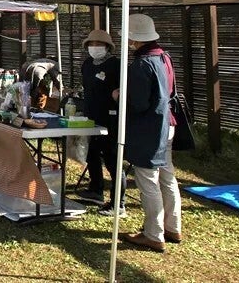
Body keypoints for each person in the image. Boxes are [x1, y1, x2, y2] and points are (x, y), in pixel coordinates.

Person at [119, 13, 183, 253]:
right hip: (168, 123)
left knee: (148, 179)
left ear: (134, 38)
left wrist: (120, 95)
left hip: (150, 128)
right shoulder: (164, 57)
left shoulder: (142, 64)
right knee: (167, 176)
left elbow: (139, 103)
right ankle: (172, 227)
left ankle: (153, 234)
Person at [76, 29, 125, 215]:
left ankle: (118, 202)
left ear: (107, 47)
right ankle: (96, 189)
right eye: (92, 44)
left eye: (99, 44)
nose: (95, 47)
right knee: (92, 154)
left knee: (112, 159)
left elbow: (124, 91)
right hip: (90, 116)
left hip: (110, 118)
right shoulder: (87, 64)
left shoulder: (116, 65)